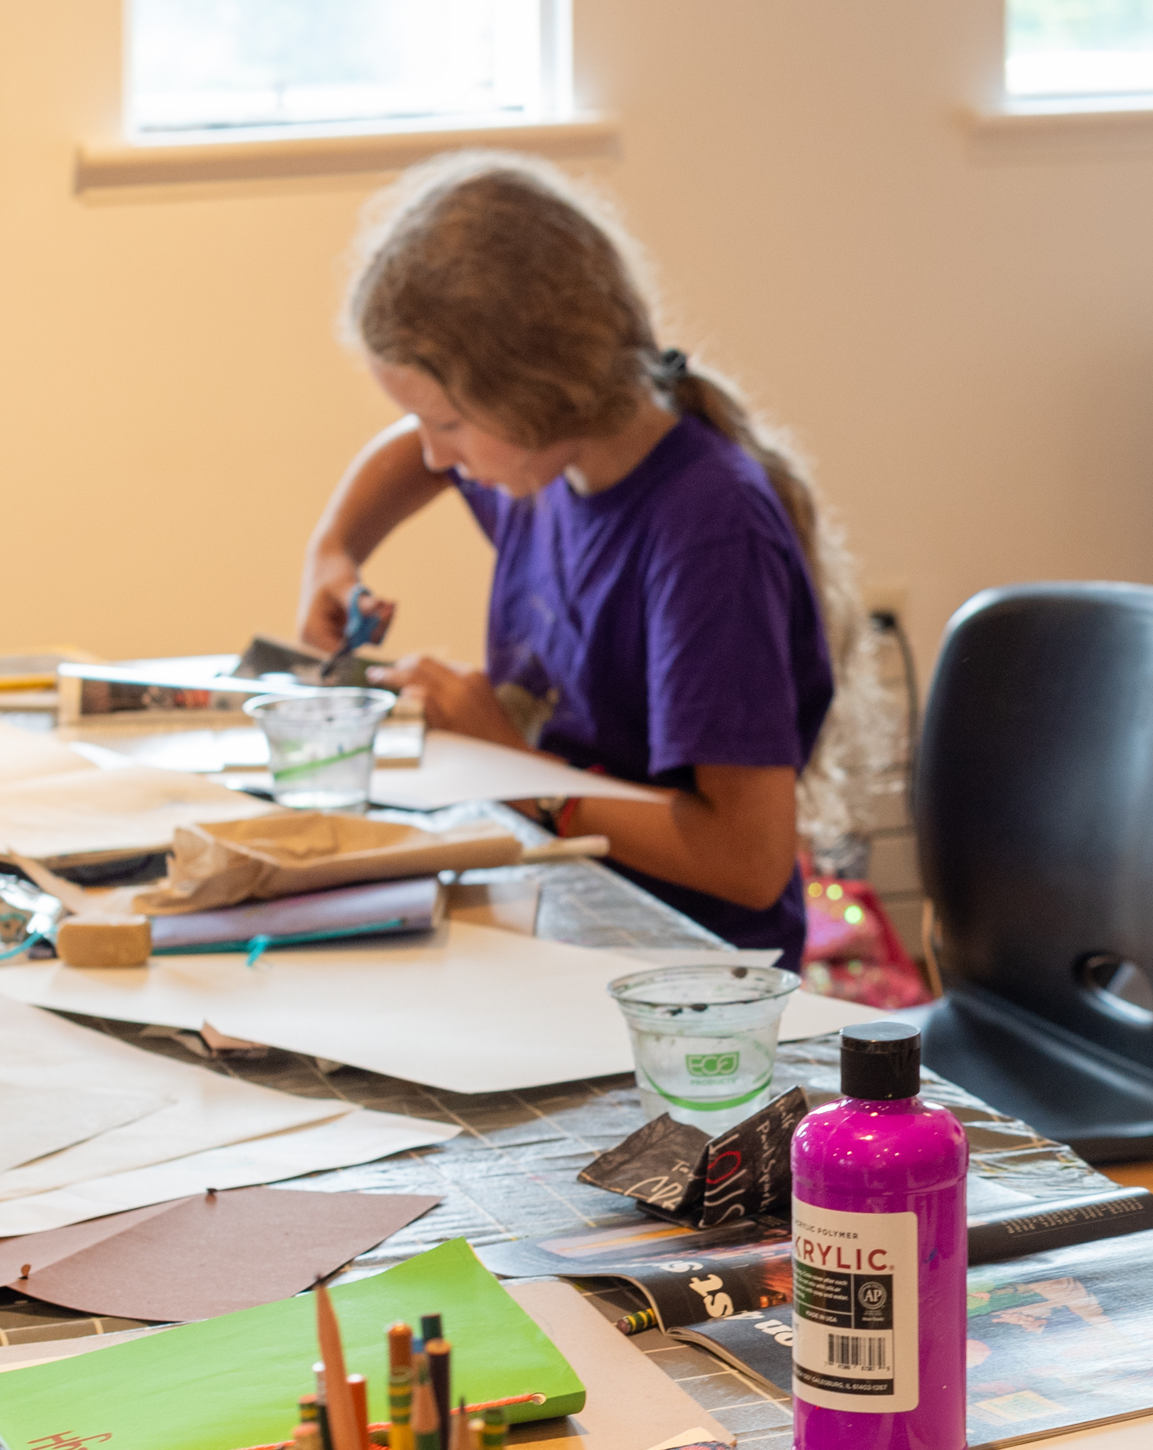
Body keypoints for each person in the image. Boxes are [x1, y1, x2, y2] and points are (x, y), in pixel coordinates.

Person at [295, 152, 890, 969]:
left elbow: (747, 864)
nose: (435, 455)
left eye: (449, 425)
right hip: (578, 919)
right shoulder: (546, 464)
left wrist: (507, 761)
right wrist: (334, 552)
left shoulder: (706, 535)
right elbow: (409, 453)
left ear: (539, 392)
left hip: (695, 979)